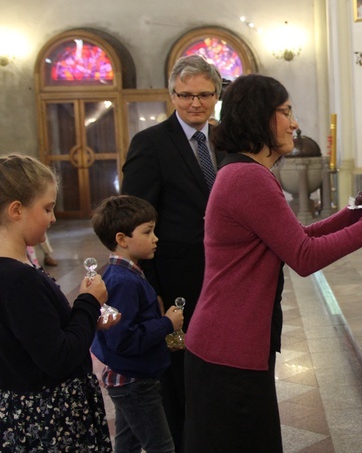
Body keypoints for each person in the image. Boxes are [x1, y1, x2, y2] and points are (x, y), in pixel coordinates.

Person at [183, 74, 362, 452]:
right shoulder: (248, 178)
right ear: (258, 117)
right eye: (285, 112)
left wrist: (357, 212)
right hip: (229, 347)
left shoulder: (242, 172)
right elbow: (305, 257)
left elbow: (298, 237)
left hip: (226, 342)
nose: (294, 123)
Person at [121, 54, 224, 451]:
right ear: (172, 95)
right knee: (178, 370)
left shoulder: (226, 139)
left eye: (203, 95)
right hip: (175, 279)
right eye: (185, 95)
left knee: (214, 364)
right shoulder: (151, 144)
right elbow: (134, 219)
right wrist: (150, 290)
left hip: (221, 274)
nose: (194, 103)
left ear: (216, 95)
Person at [0, 153, 113, 451]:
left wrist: (82, 319)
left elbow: (34, 335)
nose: (52, 218)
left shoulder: (17, 271)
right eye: (47, 208)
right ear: (16, 210)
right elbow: (58, 357)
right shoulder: (18, 279)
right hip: (46, 417)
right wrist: (88, 304)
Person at [91, 195, 185, 453]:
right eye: (147, 231)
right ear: (122, 239)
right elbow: (124, 339)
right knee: (161, 446)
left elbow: (135, 327)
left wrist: (162, 340)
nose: (155, 238)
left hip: (130, 377)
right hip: (134, 381)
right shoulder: (123, 281)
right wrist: (167, 323)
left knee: (128, 443)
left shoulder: (123, 273)